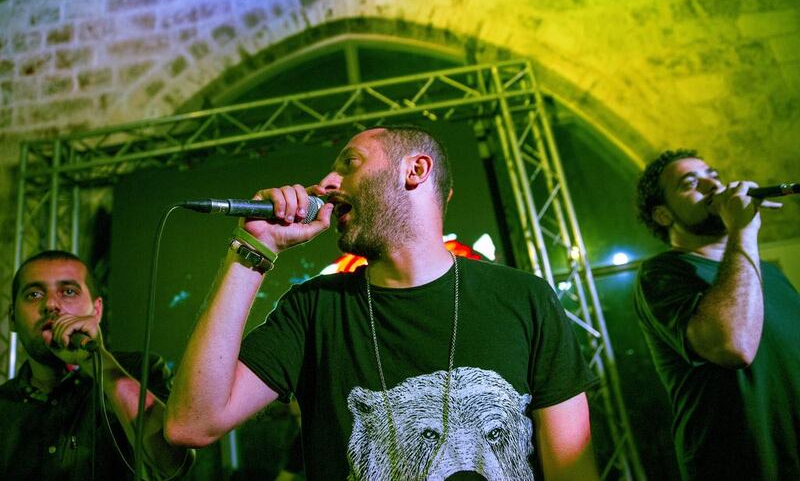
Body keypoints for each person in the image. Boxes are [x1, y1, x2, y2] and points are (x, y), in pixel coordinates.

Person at [165, 126, 599, 479]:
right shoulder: (314, 310)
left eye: (349, 164)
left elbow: (572, 470)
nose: (327, 184)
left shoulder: (523, 298)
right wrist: (252, 248)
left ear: (415, 170)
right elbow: (191, 422)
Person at [633, 149, 800, 480]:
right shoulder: (662, 273)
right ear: (664, 215)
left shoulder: (768, 274)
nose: (713, 184)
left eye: (713, 174)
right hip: (742, 468)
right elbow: (732, 344)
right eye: (690, 183)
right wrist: (744, 230)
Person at [0, 250, 194, 479]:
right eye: (33, 294)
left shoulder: (140, 371)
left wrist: (97, 362)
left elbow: (174, 465)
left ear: (97, 309)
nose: (51, 304)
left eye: (69, 292)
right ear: (12, 317)